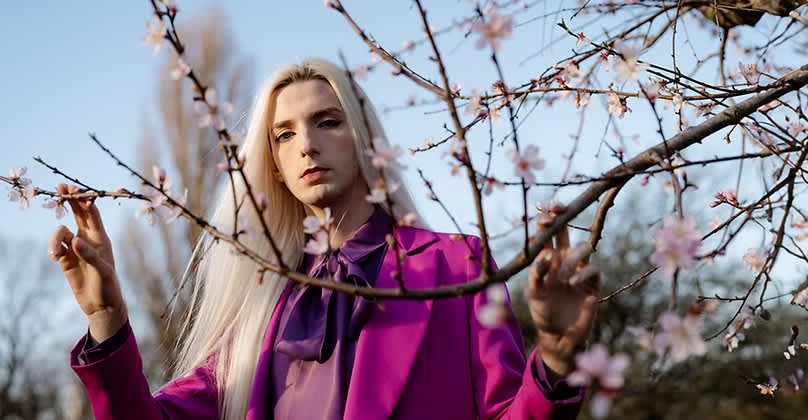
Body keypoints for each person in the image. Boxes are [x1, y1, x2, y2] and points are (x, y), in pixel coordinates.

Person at [47, 58, 600, 419]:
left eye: (327, 122)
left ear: (364, 136)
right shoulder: (256, 304)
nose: (306, 145)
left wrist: (554, 357)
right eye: (284, 135)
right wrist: (107, 322)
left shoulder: (459, 269)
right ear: (275, 165)